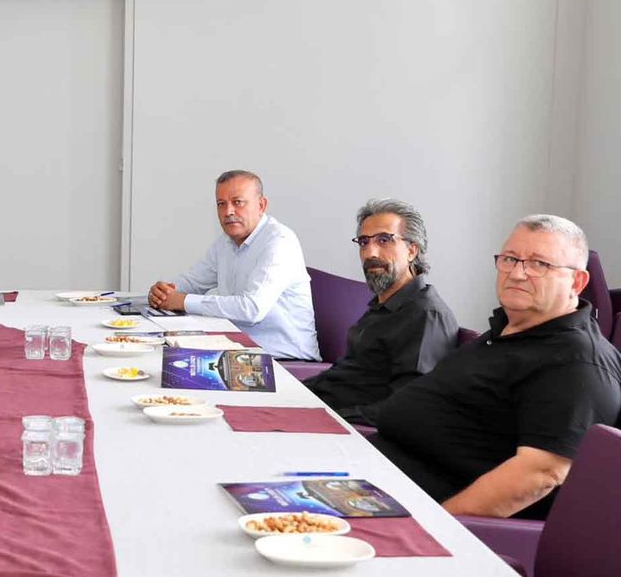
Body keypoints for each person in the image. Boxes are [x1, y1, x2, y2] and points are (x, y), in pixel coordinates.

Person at [371, 215, 621, 519]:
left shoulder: (578, 361)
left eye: (539, 264)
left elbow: (540, 474)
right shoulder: (509, 332)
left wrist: (431, 525)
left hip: (424, 518)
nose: (517, 273)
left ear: (577, 282)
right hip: (377, 483)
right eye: (509, 259)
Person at [305, 199, 458, 425]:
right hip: (322, 408)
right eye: (364, 242)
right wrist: (292, 394)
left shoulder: (426, 315)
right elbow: (344, 378)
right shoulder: (383, 305)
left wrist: (330, 418)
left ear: (412, 250)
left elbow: (408, 408)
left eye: (384, 240)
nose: (370, 253)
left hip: (350, 430)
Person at [148, 170, 319, 360]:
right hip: (240, 349)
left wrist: (183, 301)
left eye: (238, 202)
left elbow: (251, 308)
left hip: (285, 361)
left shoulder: (278, 241)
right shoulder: (226, 242)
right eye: (221, 204)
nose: (228, 211)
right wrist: (164, 291)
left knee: (169, 363)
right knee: (155, 349)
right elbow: (195, 280)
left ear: (261, 205)